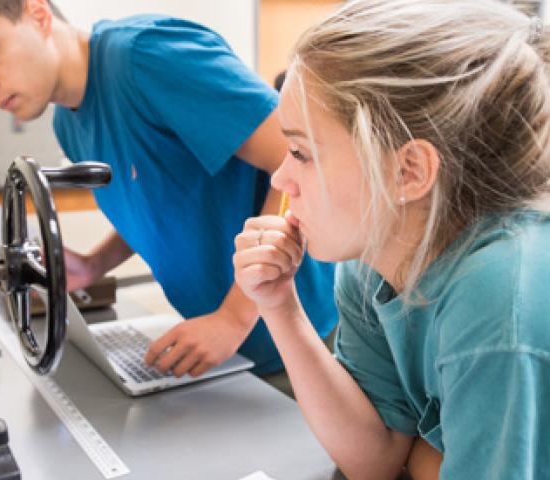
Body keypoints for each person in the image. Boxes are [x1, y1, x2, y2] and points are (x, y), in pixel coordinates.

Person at [0, 0, 337, 378]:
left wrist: (233, 316)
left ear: (38, 14)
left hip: (305, 337)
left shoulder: (148, 56)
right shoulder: (66, 121)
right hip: (226, 354)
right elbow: (155, 199)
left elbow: (298, 162)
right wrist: (96, 263)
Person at [232, 0, 550, 478]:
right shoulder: (372, 259)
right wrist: (279, 306)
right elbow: (374, 459)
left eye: (300, 151)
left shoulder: (498, 297)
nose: (279, 178)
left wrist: (424, 457)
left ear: (408, 171)